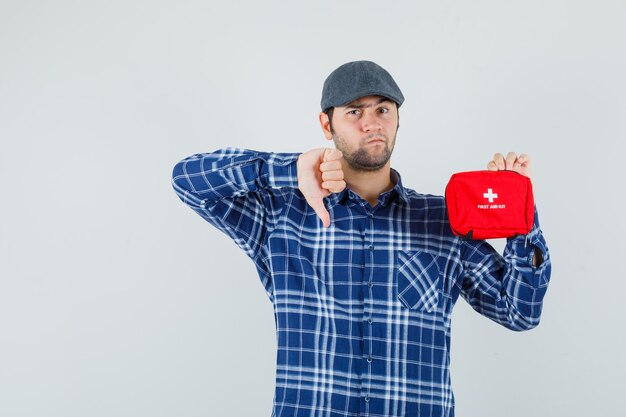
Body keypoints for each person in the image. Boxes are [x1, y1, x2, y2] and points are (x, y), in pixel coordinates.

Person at [171, 60, 551, 417]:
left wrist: (519, 215)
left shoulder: (443, 220)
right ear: (326, 124)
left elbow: (519, 312)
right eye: (355, 111)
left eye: (383, 109)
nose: (372, 123)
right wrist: (289, 168)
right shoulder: (281, 215)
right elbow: (187, 180)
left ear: (398, 119)